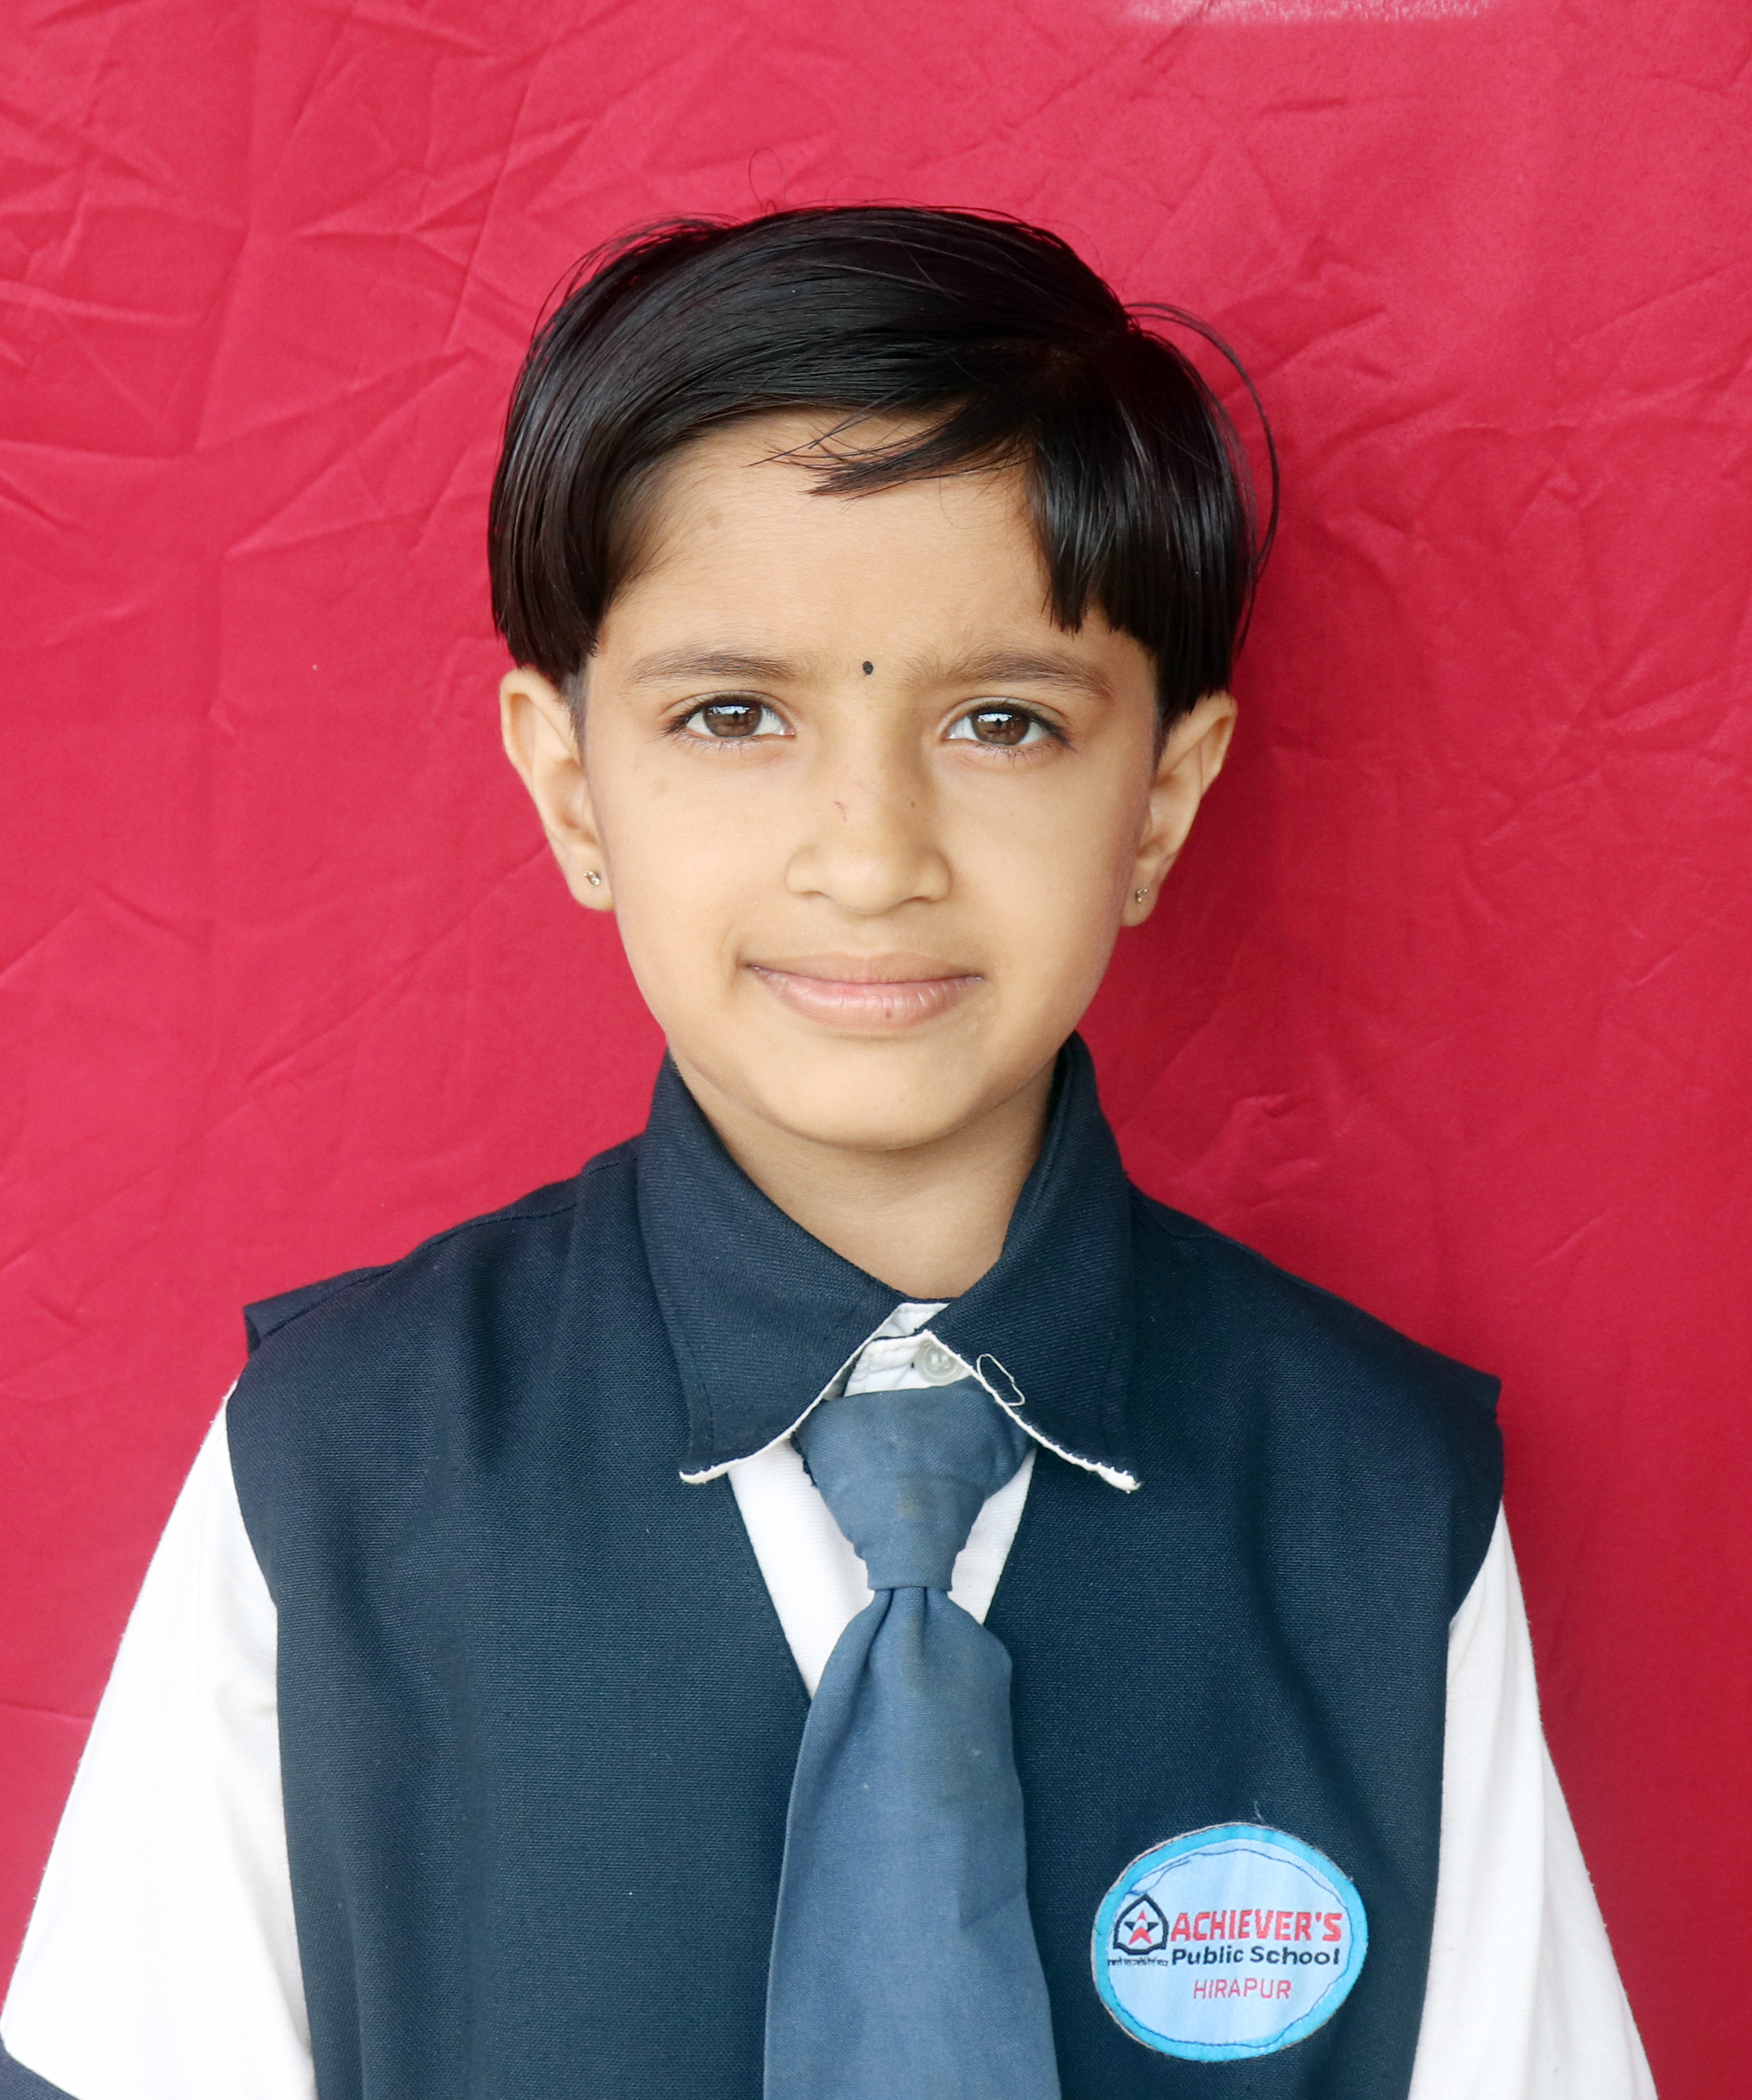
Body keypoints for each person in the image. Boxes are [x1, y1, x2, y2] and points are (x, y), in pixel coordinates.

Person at [0, 207, 1654, 2100]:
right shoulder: (336, 1472)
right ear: (571, 785)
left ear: (1161, 797)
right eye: (734, 715)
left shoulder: (1377, 1508)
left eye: (1004, 723)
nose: (871, 857)